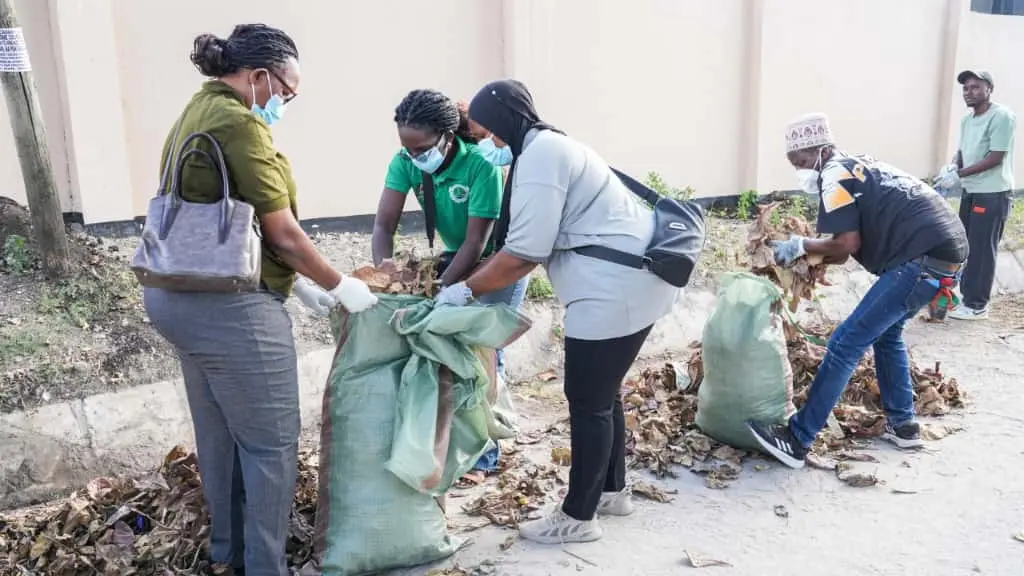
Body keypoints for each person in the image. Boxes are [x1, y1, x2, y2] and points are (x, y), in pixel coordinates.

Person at [142, 25, 377, 576]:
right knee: (271, 447)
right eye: (287, 94)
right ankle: (266, 567)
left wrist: (298, 286)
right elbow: (284, 233)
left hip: (178, 296)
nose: (286, 103)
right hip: (228, 310)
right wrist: (340, 285)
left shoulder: (194, 113)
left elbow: (226, 220)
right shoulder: (239, 124)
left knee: (221, 439)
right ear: (259, 77)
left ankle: (230, 556)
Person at [433, 79, 680, 544]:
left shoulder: (542, 155)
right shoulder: (547, 146)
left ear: (507, 121)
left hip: (614, 290)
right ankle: (612, 491)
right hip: (631, 283)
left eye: (491, 135)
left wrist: (463, 291)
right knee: (603, 395)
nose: (491, 145)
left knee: (587, 401)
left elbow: (524, 252)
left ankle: (577, 517)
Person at [747, 113, 968, 470]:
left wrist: (801, 244)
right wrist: (809, 256)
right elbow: (842, 249)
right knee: (887, 334)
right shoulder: (857, 164)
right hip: (947, 253)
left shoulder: (833, 175)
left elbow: (846, 244)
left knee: (845, 343)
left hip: (921, 259)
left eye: (800, 162)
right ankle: (904, 425)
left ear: (817, 151)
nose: (800, 171)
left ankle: (797, 439)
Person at [370, 88, 527, 485]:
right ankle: (457, 443)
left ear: (446, 137)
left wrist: (444, 290)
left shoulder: (479, 165)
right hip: (456, 256)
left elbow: (477, 243)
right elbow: (383, 224)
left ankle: (486, 453)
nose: (415, 156)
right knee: (450, 352)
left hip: (499, 262)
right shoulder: (407, 161)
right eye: (407, 149)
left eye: (422, 148)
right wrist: (383, 274)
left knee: (483, 353)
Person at [934, 70, 1016, 321]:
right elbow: (964, 150)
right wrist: (952, 166)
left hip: (992, 193)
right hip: (971, 190)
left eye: (975, 87)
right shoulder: (967, 120)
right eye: (966, 89)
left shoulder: (1002, 116)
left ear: (989, 88)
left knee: (982, 249)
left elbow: (995, 157)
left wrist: (959, 174)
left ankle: (977, 305)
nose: (969, 93)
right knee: (967, 246)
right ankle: (967, 297)